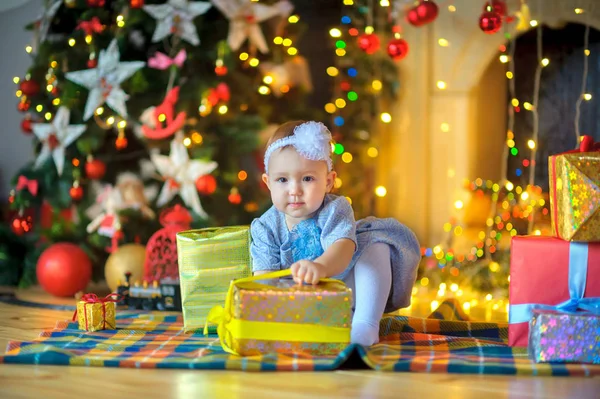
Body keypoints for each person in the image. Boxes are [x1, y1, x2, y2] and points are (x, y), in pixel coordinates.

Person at [250, 120, 421, 346]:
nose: (294, 190)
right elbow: (264, 279)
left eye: (308, 178)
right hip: (295, 304)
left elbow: (343, 249)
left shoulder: (334, 209)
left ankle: (365, 324)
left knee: (376, 245)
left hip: (344, 291)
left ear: (328, 181)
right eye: (282, 179)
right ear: (268, 182)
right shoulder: (265, 227)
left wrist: (320, 267)